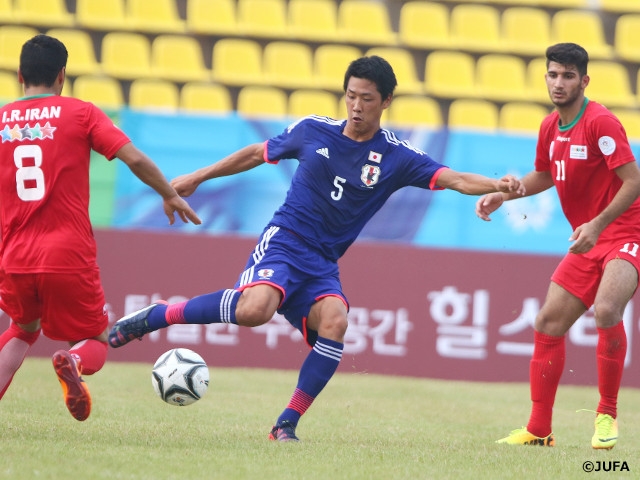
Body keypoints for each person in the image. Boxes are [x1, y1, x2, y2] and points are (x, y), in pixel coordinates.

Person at [109, 55, 524, 441]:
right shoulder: (313, 130)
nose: (356, 106)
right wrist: (198, 177)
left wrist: (497, 185)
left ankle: (285, 425)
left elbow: (455, 179)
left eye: (367, 99)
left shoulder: (397, 156)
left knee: (335, 321)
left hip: (323, 262)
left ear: (386, 102)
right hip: (285, 241)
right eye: (351, 96)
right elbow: (256, 153)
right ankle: (158, 316)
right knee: (255, 310)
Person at [0, 34, 201, 422]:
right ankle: (73, 361)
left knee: (22, 328)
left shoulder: (2, 119)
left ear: (20, 75)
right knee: (94, 338)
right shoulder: (81, 113)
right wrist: (170, 194)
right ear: (62, 76)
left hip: (14, 254)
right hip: (66, 251)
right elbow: (133, 159)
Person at [477, 43, 640, 450]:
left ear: (584, 81)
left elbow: (634, 180)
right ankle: (539, 430)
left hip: (626, 232)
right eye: (553, 74)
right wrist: (503, 195)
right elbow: (545, 174)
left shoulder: (601, 123)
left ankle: (606, 415)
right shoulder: (550, 126)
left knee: (607, 309)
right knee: (548, 323)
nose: (558, 82)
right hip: (588, 238)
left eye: (568, 75)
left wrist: (598, 224)